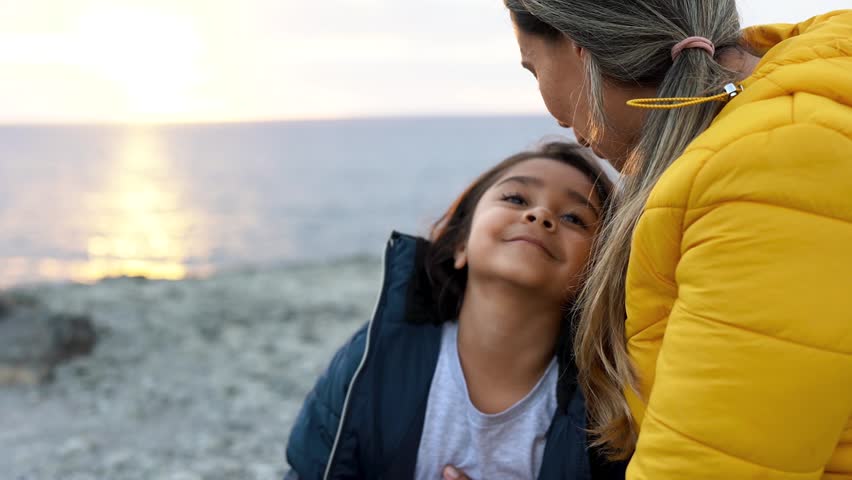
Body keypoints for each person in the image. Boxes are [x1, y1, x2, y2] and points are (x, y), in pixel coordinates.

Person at [488, 2, 851, 479]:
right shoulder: (791, 118)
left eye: (534, 68)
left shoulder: (768, 169)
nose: (558, 120)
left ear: (579, 50)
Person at [284, 142, 627, 479]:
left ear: (597, 273)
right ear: (461, 243)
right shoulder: (374, 356)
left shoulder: (608, 405)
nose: (540, 216)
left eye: (574, 217)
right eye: (516, 199)